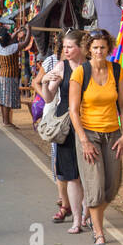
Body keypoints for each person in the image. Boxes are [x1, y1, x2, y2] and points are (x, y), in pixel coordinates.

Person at [68, 29, 123, 245]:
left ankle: (92, 212)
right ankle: (98, 232)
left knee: (111, 186)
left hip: (112, 134)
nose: (99, 51)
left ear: (108, 48)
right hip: (89, 134)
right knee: (94, 186)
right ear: (88, 50)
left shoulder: (116, 70)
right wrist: (83, 140)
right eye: (95, 48)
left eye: (103, 47)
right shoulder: (80, 74)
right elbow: (73, 111)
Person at [40, 29, 89, 233]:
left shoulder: (91, 67)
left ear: (81, 48)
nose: (66, 51)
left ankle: (88, 215)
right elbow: (49, 98)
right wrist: (45, 83)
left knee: (89, 174)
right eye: (65, 47)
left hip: (89, 124)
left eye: (70, 47)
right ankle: (77, 219)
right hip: (67, 127)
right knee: (71, 175)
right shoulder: (61, 67)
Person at [0, 23, 31, 127]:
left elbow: (9, 39)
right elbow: (26, 42)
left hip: (2, 76)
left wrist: (17, 31)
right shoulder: (13, 48)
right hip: (9, 77)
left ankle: (5, 120)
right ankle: (7, 122)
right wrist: (29, 30)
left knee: (2, 99)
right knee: (6, 100)